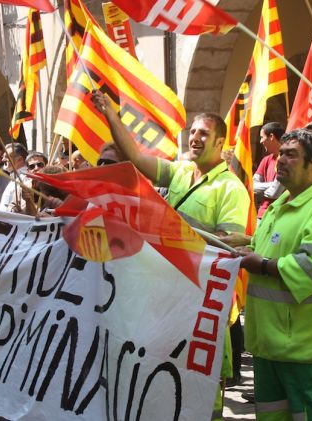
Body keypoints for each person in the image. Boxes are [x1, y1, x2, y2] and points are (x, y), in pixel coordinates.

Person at [91, 90, 249, 420]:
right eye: (192, 132)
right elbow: (134, 155)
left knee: (200, 385)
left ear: (221, 142)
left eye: (204, 133)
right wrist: (109, 112)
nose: (195, 138)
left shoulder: (230, 188)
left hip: (200, 299)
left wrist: (176, 232)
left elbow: (230, 243)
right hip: (166, 296)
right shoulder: (178, 171)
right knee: (167, 380)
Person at [236, 129, 312, 419]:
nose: (281, 161)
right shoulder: (278, 206)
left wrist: (259, 264)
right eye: (280, 154)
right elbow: (262, 248)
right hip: (269, 348)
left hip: (306, 354)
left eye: (291, 155)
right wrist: (232, 246)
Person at [254, 122, 286, 220]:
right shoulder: (266, 160)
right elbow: (253, 186)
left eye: (262, 137)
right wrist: (274, 184)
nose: (260, 141)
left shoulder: (287, 160)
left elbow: (274, 193)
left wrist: (272, 187)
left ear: (271, 136)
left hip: (280, 215)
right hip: (262, 214)